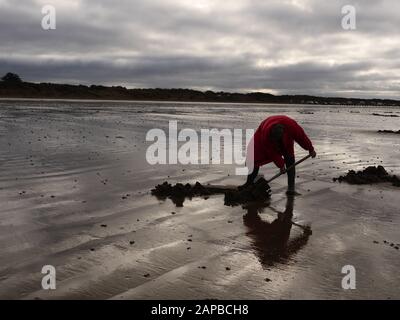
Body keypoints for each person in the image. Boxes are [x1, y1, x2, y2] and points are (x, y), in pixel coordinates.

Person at [243, 115, 316, 195]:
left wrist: (310, 149)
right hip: (263, 132)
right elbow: (272, 152)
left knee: (289, 158)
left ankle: (291, 188)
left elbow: (302, 137)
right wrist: (281, 165)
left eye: (276, 140)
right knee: (253, 156)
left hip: (287, 138)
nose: (275, 142)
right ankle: (249, 184)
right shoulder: (265, 135)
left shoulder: (292, 127)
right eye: (273, 140)